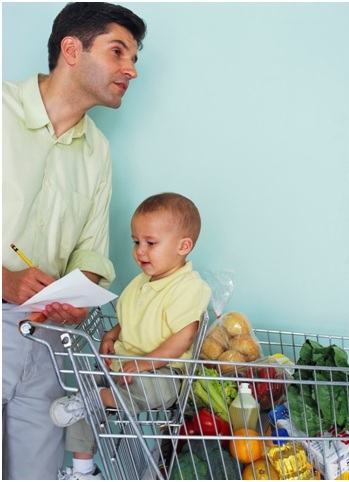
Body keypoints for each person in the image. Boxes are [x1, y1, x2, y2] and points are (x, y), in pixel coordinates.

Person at [2, 3, 147, 480]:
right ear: (71, 49)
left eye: (135, 57)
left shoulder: (98, 152)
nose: (131, 69)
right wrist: (5, 277)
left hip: (49, 341)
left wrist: (77, 294)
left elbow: (90, 251)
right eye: (118, 51)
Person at [49, 192, 212, 480]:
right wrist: (112, 334)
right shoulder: (140, 283)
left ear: (183, 246)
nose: (140, 250)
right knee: (85, 389)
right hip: (124, 364)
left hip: (164, 372)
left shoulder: (187, 286)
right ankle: (84, 470)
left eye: (151, 243)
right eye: (136, 242)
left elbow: (185, 337)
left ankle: (96, 399)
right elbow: (130, 319)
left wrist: (145, 363)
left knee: (151, 390)